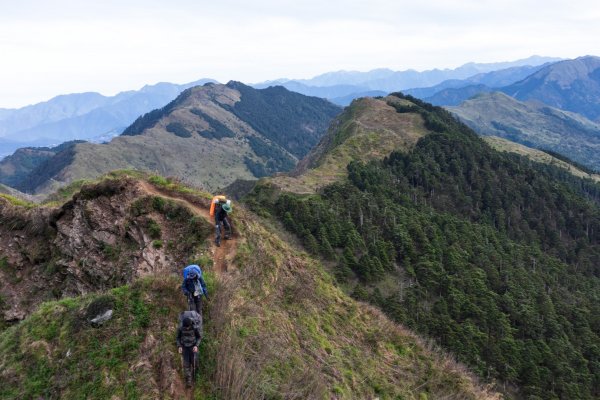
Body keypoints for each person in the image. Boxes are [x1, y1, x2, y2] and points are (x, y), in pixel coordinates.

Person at [176, 317, 202, 388]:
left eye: (188, 327)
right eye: (186, 327)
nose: (187, 328)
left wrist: (196, 346)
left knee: (195, 364)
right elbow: (178, 338)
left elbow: (199, 337)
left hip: (193, 347)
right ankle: (189, 382)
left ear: (190, 325)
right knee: (186, 365)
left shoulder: (195, 328)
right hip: (185, 348)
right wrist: (179, 346)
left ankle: (196, 379)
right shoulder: (181, 328)